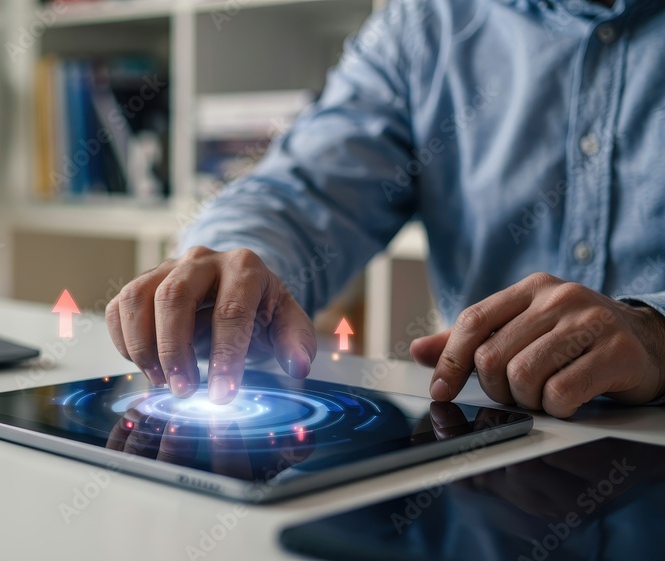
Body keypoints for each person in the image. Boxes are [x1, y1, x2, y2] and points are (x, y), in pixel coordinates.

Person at [105, 0, 665, 418]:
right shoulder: (429, 21)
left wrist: (654, 331)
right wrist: (234, 264)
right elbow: (306, 189)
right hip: (490, 446)